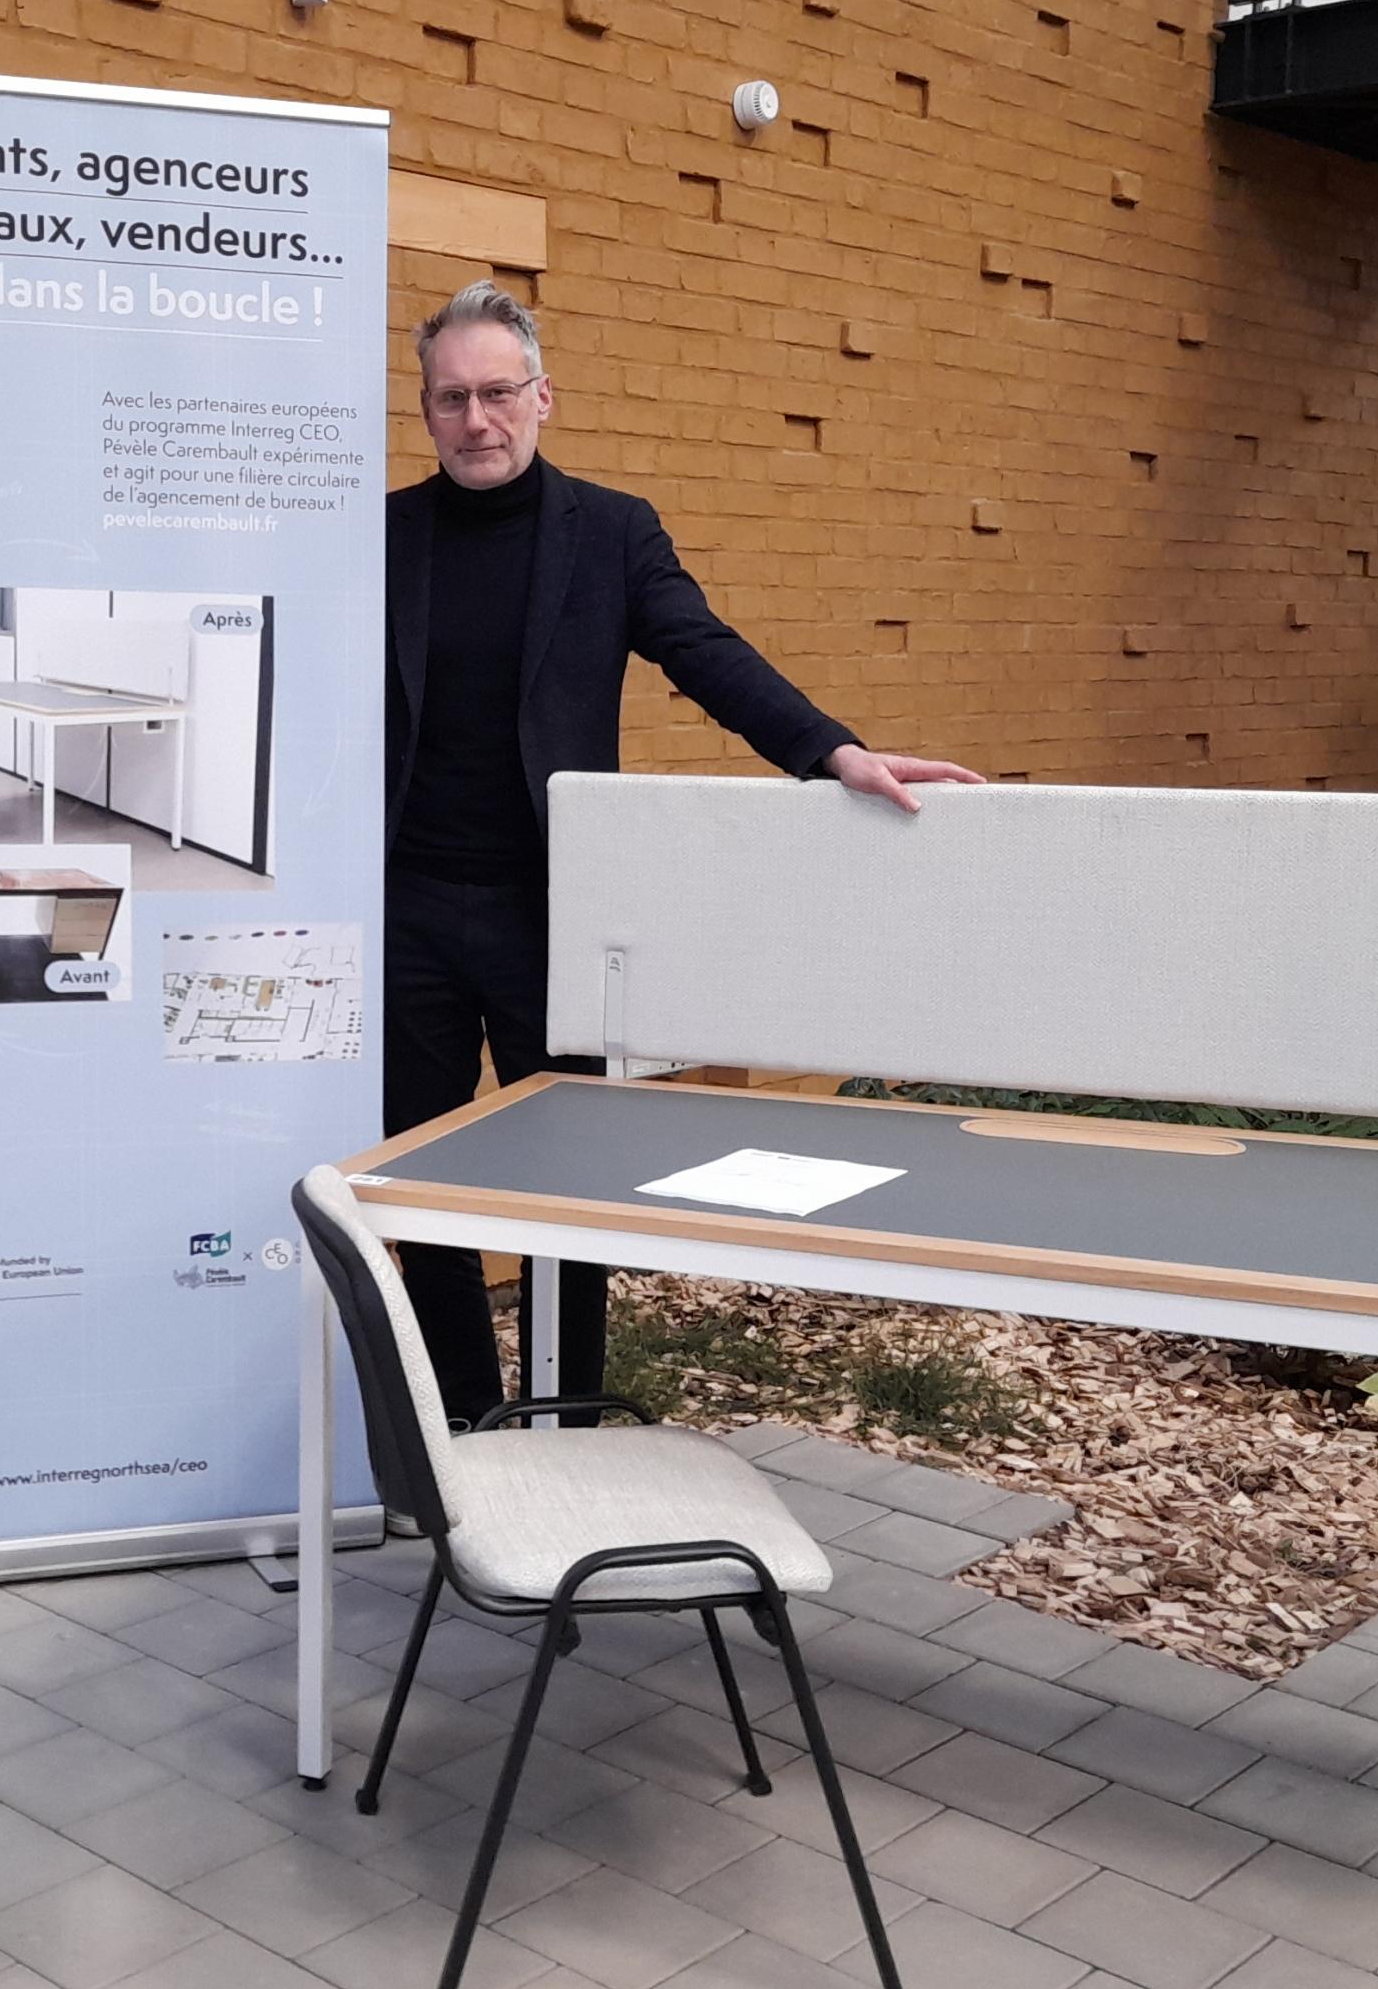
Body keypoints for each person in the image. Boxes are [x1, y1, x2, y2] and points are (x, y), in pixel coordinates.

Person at [386, 282, 977, 1429]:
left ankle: (566, 1423)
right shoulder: (385, 532)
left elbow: (703, 650)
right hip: (408, 902)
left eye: (498, 392)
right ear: (427, 410)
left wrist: (830, 751)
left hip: (553, 906)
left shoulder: (609, 532)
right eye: (451, 398)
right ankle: (461, 1426)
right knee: (425, 1181)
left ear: (542, 397)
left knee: (567, 1172)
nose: (477, 418)